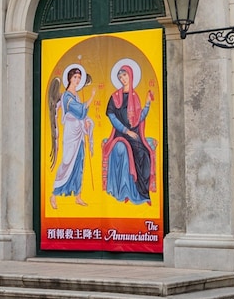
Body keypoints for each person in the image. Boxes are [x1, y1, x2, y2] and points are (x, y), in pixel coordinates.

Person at [102, 62, 156, 205]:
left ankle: (143, 193)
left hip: (133, 133)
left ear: (130, 76)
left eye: (125, 75)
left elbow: (139, 118)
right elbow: (112, 117)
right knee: (135, 152)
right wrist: (127, 131)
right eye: (120, 76)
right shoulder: (114, 97)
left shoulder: (135, 96)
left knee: (145, 154)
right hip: (120, 134)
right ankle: (128, 192)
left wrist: (147, 104)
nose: (123, 78)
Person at [48, 66, 95, 210]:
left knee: (79, 163)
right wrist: (91, 98)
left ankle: (78, 195)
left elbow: (82, 115)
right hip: (71, 133)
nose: (77, 80)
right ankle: (54, 195)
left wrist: (86, 122)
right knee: (67, 162)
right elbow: (79, 111)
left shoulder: (76, 95)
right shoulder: (67, 96)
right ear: (69, 78)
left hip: (79, 132)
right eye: (75, 77)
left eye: (79, 78)